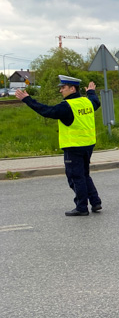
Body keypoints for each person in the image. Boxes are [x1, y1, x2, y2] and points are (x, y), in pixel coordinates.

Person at [15, 75, 103, 216]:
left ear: (72, 89)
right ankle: (95, 201)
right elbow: (96, 102)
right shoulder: (87, 102)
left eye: (63, 88)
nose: (61, 91)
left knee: (76, 177)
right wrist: (91, 92)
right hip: (88, 144)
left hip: (73, 146)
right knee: (85, 175)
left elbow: (46, 111)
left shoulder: (66, 106)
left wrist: (27, 99)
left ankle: (81, 207)